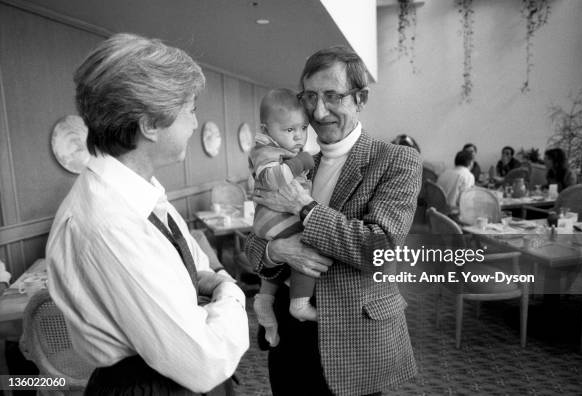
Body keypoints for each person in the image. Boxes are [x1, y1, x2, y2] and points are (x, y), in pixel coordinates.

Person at [45, 33, 248, 395]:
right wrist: (231, 291)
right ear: (150, 124)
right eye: (190, 110)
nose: (195, 124)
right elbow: (206, 359)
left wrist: (212, 286)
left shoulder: (142, 195)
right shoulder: (110, 223)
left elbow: (197, 268)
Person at [246, 46, 421, 396]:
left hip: (353, 335)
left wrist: (307, 208)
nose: (319, 111)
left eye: (332, 96)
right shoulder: (294, 163)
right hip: (289, 334)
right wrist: (277, 251)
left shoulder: (396, 160)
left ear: (360, 98)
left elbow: (380, 247)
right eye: (310, 97)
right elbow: (253, 246)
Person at [249, 88, 316, 347]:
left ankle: (264, 301)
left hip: (272, 222)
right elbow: (270, 178)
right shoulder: (266, 152)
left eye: (302, 128)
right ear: (266, 130)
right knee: (310, 244)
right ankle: (299, 304)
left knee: (294, 251)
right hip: (276, 220)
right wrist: (301, 162)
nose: (298, 136)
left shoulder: (278, 150)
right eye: (289, 130)